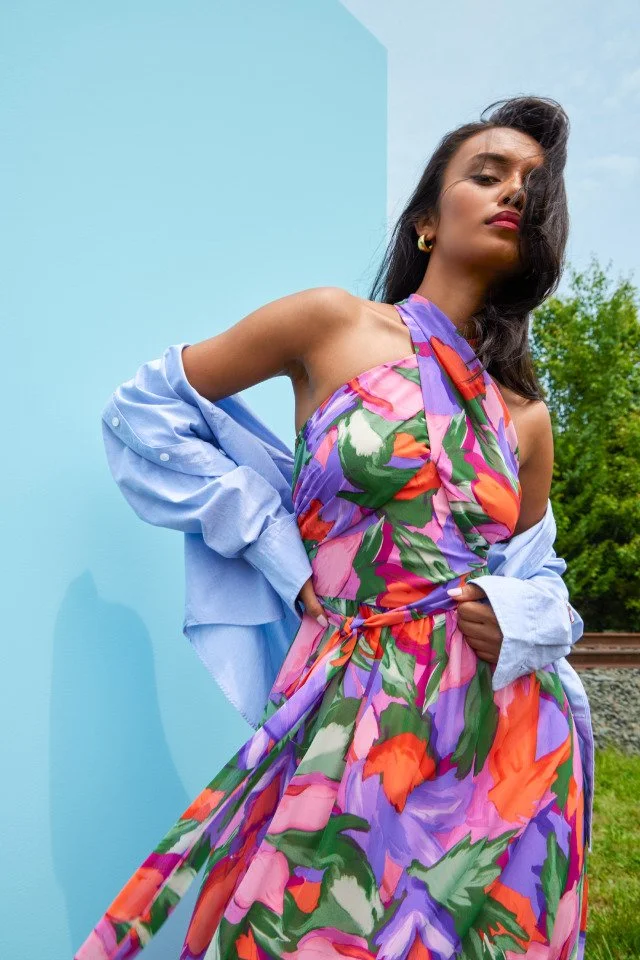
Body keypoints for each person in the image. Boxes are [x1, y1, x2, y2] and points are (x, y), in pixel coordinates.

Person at [75, 95, 590, 959]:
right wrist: (272, 543)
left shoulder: (525, 416)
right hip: (350, 699)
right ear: (426, 221)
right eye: (487, 173)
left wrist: (522, 619)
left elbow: (540, 576)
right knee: (300, 927)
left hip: (500, 736)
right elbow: (143, 412)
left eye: (532, 187)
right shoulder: (331, 325)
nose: (513, 192)